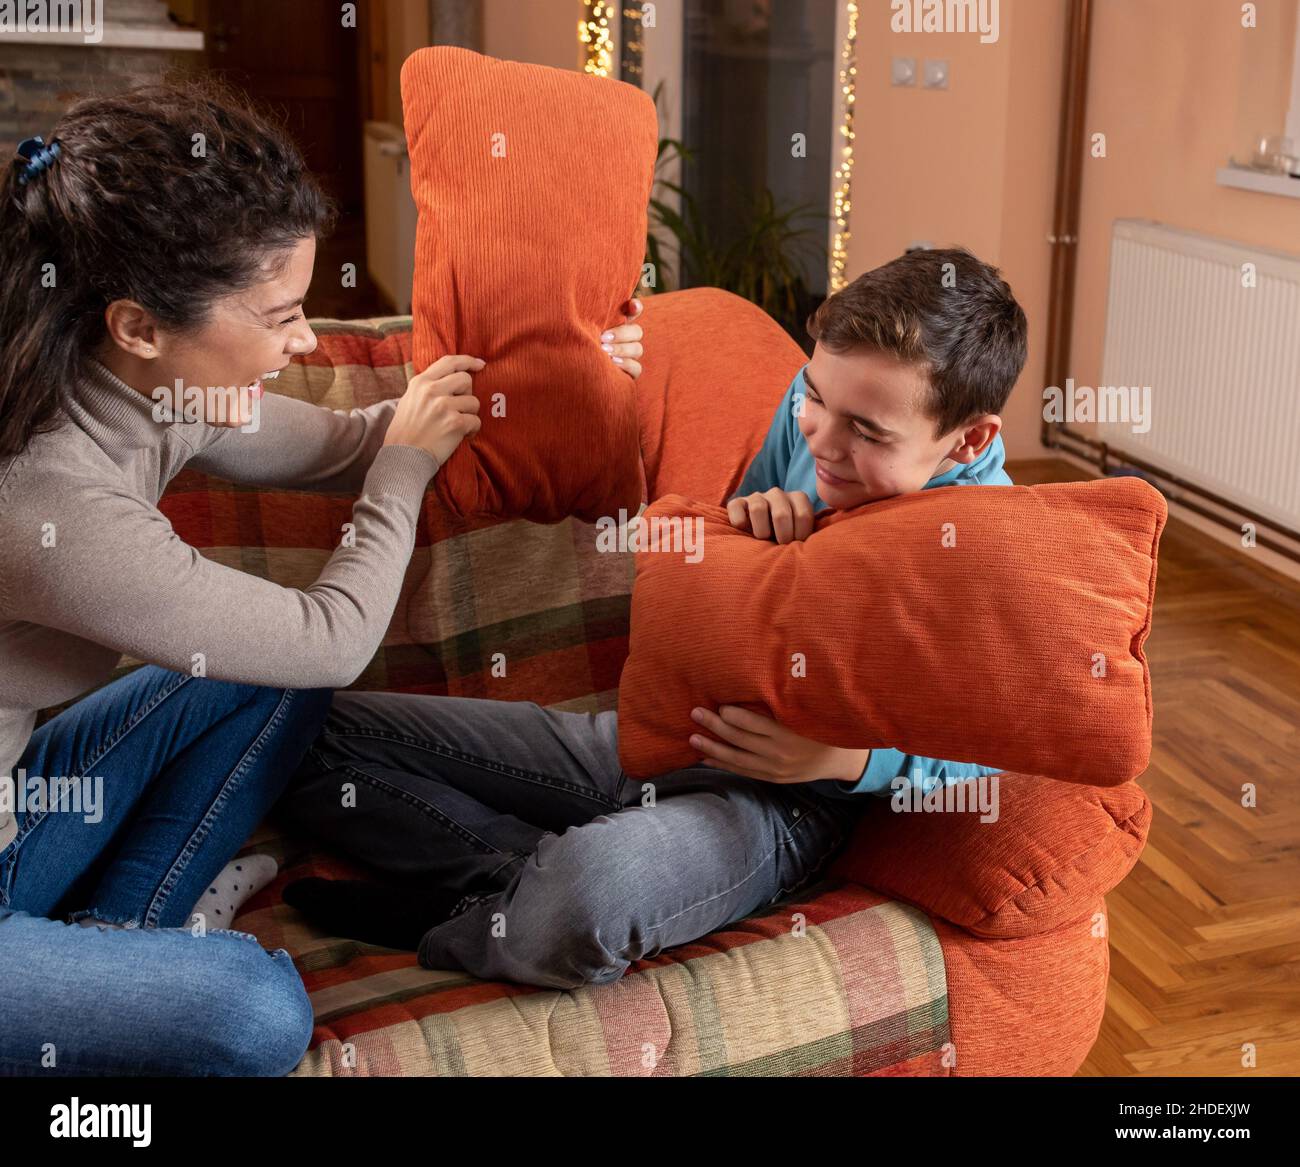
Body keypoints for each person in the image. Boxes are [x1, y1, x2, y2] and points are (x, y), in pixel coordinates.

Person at [0, 76, 645, 1074]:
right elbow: (332, 633)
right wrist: (402, 470)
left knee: (260, 677)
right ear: (138, 324)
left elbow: (346, 443)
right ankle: (128, 951)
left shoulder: (136, 382)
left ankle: (109, 950)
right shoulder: (52, 502)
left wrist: (564, 368)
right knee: (254, 1016)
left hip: (22, 810)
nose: (302, 343)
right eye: (279, 315)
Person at [276, 247, 1029, 990]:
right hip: (668, 731)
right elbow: (712, 567)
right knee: (294, 728)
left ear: (969, 438)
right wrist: (740, 524)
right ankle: (505, 879)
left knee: (589, 893)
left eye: (866, 431)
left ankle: (506, 906)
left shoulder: (990, 545)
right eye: (815, 396)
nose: (822, 441)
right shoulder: (810, 423)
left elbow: (994, 751)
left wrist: (842, 760)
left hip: (784, 804)